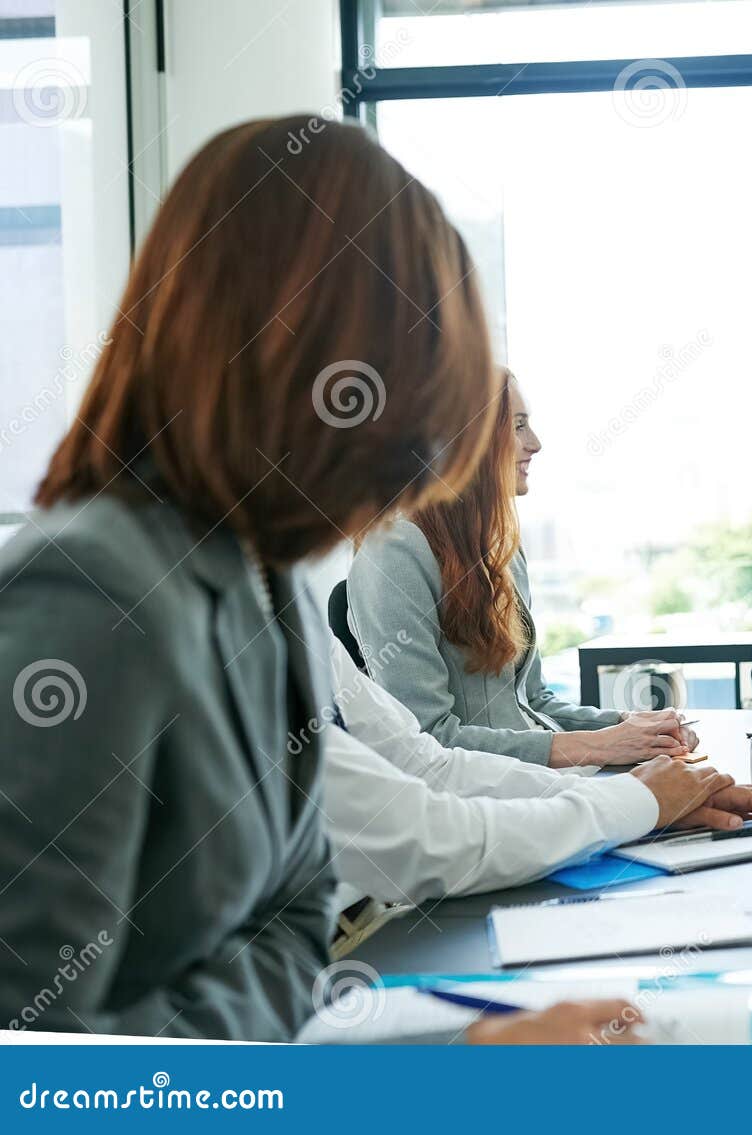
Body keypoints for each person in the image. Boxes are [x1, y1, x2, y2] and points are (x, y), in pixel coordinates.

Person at [0, 116, 507, 1039]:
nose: (395, 496)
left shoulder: (268, 586)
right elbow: (38, 1064)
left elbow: (299, 917)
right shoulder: (90, 596)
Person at [347, 371, 693, 767]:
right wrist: (600, 747)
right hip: (480, 802)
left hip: (537, 782)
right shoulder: (393, 553)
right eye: (518, 426)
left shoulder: (500, 550)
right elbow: (427, 739)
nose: (535, 444)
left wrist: (630, 726)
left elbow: (532, 702)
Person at [321, 637, 752, 916]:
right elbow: (423, 843)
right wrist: (634, 801)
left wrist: (653, 802)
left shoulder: (288, 607)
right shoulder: (248, 644)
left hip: (376, 927)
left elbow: (430, 766)